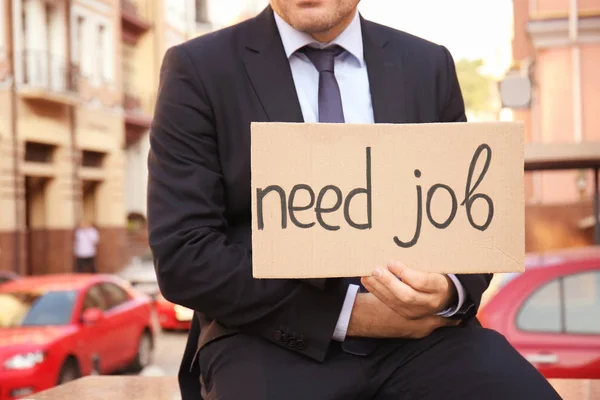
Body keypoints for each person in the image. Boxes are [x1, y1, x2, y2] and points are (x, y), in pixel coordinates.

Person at [147, 1, 561, 399]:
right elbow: (185, 255)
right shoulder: (200, 69)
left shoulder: (427, 65)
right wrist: (353, 316)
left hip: (423, 340)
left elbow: (468, 222)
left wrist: (446, 292)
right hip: (267, 339)